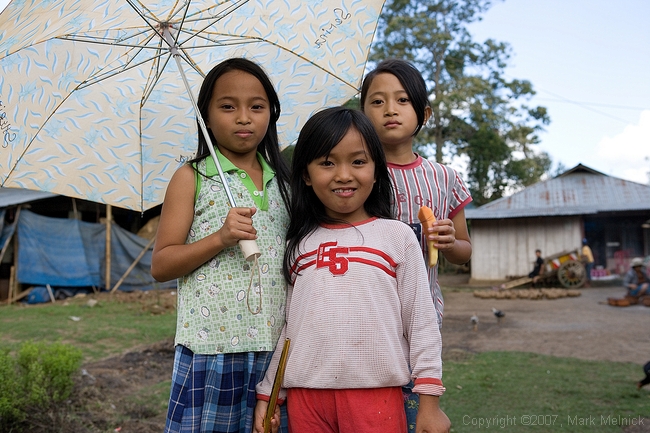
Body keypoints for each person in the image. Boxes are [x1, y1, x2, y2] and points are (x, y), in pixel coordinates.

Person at [254, 107, 450, 433]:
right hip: (306, 402)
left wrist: (430, 401)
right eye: (327, 163)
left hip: (377, 399)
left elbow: (422, 324)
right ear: (305, 174)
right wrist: (268, 393)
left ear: (376, 170)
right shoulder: (298, 246)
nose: (343, 174)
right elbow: (291, 330)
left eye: (358, 162)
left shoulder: (398, 237)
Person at [150, 58, 290, 433]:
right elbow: (161, 264)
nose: (244, 117)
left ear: (270, 114)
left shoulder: (288, 185)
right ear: (206, 118)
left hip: (277, 352)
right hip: (212, 351)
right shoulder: (190, 178)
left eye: (256, 107)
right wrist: (220, 238)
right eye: (228, 106)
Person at [360, 58, 471, 430]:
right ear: (362, 113)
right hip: (366, 313)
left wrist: (450, 241)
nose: (390, 109)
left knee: (411, 410)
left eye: (402, 100)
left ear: (423, 113)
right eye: (377, 101)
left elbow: (464, 252)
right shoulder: (358, 172)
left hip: (422, 317)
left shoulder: (444, 177)